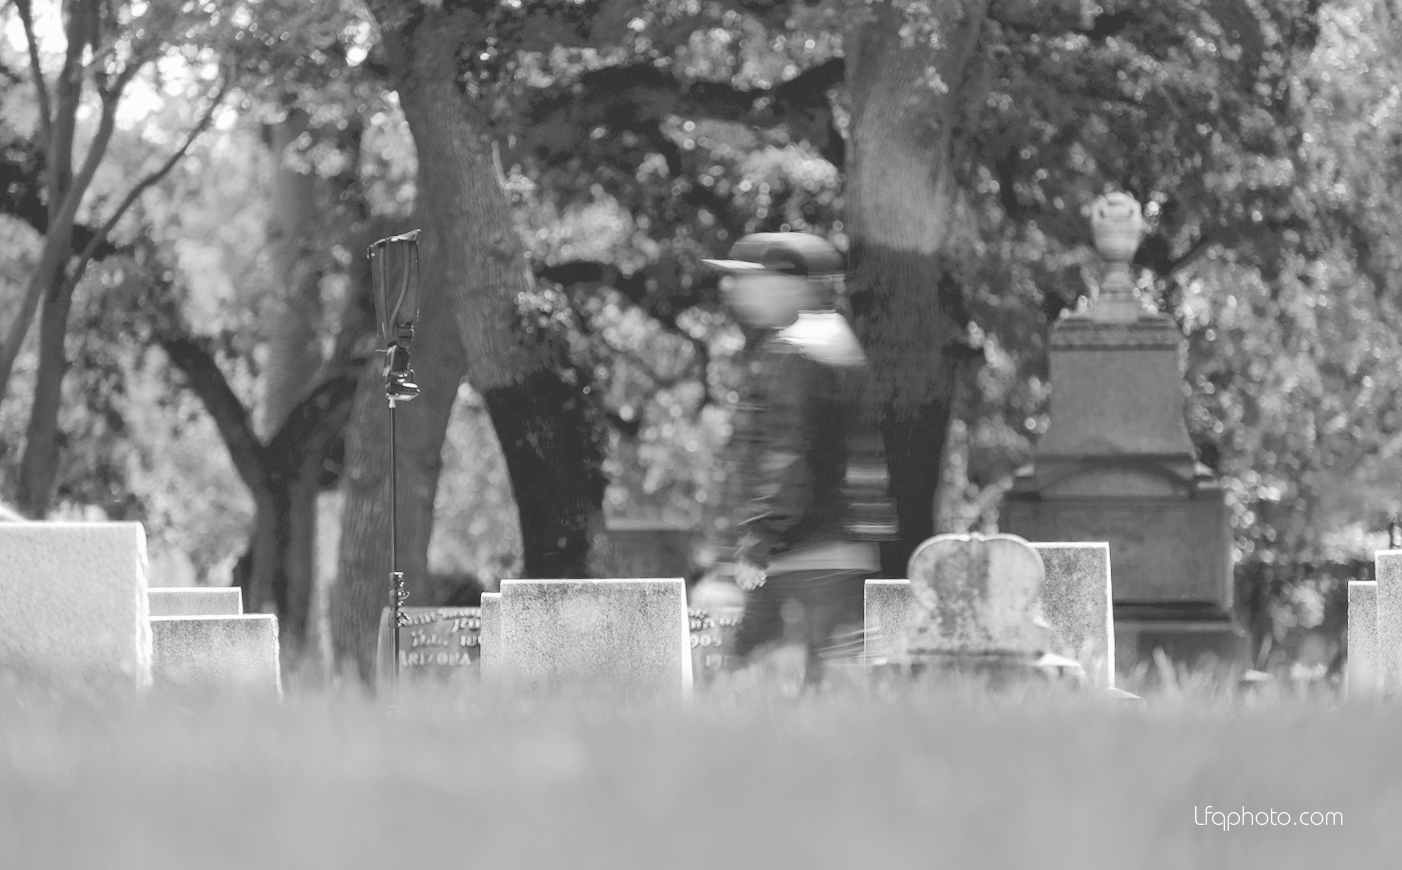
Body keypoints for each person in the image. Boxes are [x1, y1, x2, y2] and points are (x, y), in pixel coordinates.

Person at [702, 232, 898, 684]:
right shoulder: (837, 340)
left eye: (746, 279)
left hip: (799, 557)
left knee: (747, 685)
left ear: (786, 282)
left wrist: (761, 534)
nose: (734, 290)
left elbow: (789, 454)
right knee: (830, 684)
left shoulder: (796, 349)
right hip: (840, 552)